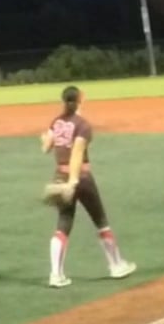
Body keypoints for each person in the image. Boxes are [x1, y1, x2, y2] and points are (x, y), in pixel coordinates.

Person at [42, 86, 136, 288]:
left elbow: (46, 147)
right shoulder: (82, 125)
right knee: (100, 220)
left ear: (63, 101)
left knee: (63, 223)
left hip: (60, 175)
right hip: (81, 178)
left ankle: (55, 275)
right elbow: (77, 153)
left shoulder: (56, 122)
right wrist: (73, 181)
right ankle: (116, 266)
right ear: (80, 100)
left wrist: (45, 139)